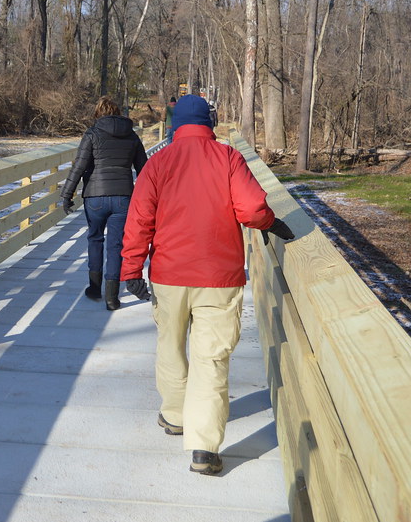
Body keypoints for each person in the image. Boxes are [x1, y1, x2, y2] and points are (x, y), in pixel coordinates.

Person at [119, 94, 293, 475]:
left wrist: (131, 269)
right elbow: (250, 209)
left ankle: (174, 415)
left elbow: (139, 221)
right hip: (218, 275)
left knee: (170, 344)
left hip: (168, 274)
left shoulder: (158, 163)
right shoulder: (228, 158)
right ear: (209, 123)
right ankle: (203, 448)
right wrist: (270, 223)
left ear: (175, 125)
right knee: (211, 358)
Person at [61, 96, 148, 310]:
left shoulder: (92, 134)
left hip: (95, 196)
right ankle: (112, 297)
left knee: (95, 239)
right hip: (123, 198)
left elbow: (79, 166)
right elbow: (144, 170)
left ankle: (94, 288)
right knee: (116, 245)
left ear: (98, 113)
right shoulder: (132, 136)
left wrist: (67, 194)